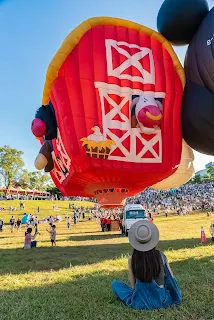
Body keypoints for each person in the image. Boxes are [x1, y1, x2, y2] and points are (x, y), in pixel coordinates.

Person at [112, 220, 182, 310]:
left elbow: (133, 286)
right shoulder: (161, 256)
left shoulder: (132, 259)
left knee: (115, 284)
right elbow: (171, 278)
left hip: (141, 303)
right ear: (152, 238)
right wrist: (176, 296)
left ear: (136, 241)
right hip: (162, 302)